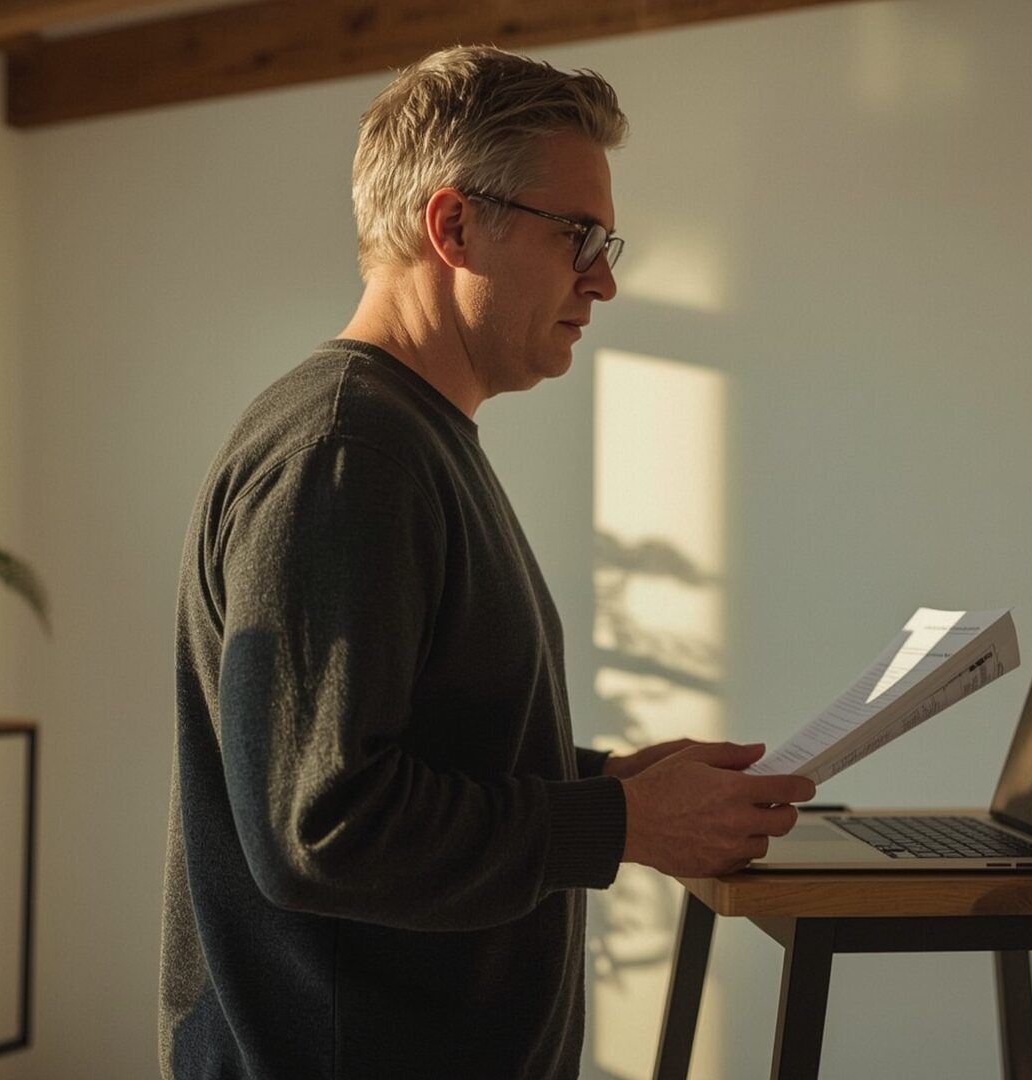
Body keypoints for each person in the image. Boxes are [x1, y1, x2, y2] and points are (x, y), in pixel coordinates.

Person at [159, 44, 816, 1079]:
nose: (603, 277)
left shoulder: (405, 438)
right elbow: (322, 825)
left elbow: (415, 747)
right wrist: (622, 821)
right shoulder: (347, 451)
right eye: (579, 237)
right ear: (454, 225)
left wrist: (597, 778)